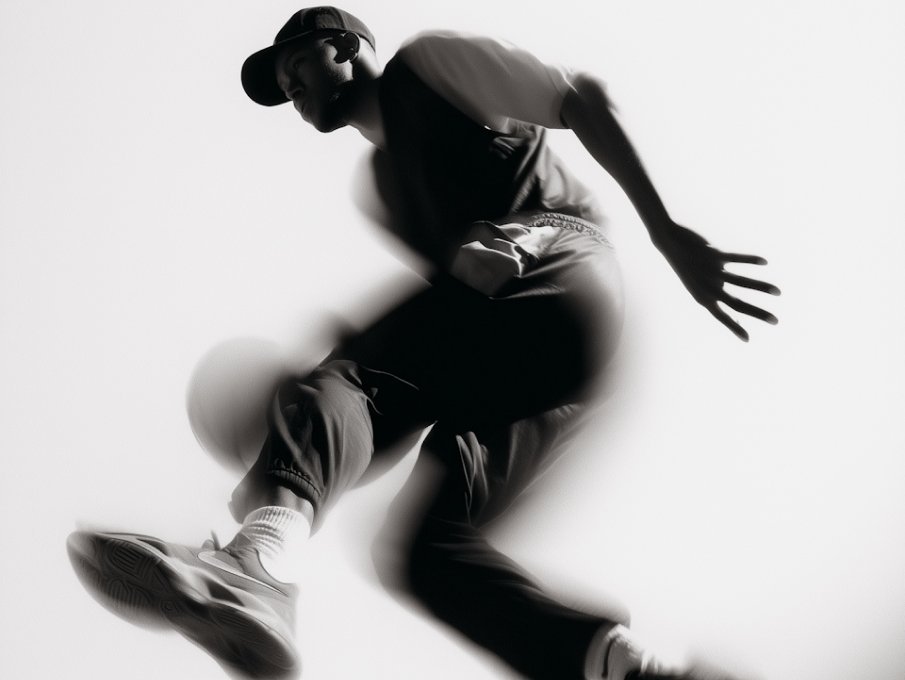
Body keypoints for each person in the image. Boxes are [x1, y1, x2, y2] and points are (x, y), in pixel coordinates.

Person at [67, 7, 779, 680]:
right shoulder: (386, 189)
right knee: (422, 555)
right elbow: (422, 371)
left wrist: (666, 232)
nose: (290, 89)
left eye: (295, 65)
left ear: (345, 47)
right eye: (281, 86)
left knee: (351, 374)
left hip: (556, 265)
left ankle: (260, 560)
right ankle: (628, 668)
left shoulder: (429, 67)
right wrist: (307, 449)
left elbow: (580, 98)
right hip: (546, 365)